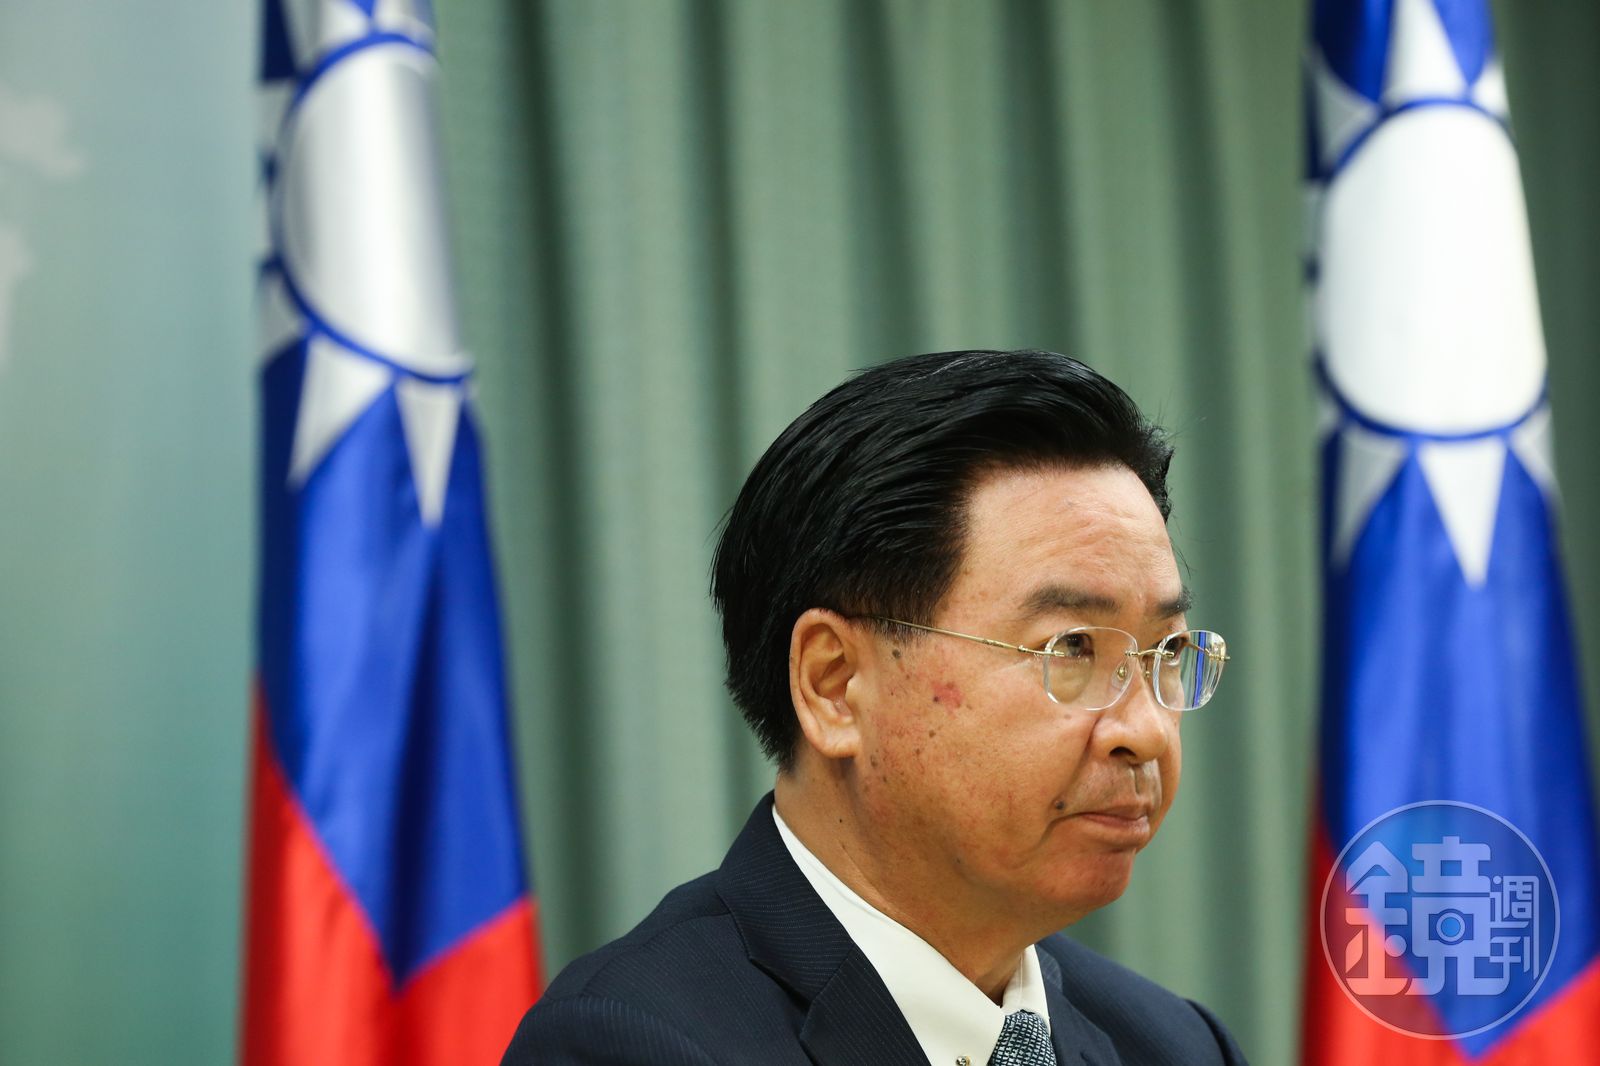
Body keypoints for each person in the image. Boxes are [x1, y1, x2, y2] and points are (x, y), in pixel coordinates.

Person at [502, 349, 1247, 1065]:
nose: (1145, 732)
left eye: (1166, 652)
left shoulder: (1176, 1045)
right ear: (834, 684)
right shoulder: (632, 1042)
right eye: (1072, 648)